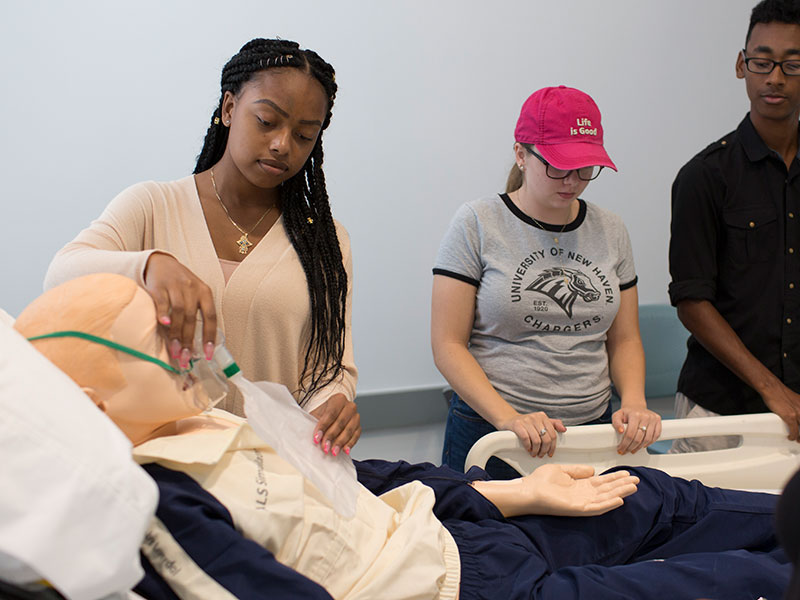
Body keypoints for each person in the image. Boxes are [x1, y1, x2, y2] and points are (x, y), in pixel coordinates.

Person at [20, 274, 792, 600]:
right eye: (158, 342)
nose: (185, 342)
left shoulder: (207, 418)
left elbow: (359, 473)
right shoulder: (160, 502)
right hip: (458, 589)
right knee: (734, 581)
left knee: (662, 498)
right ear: (90, 404)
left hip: (461, 531)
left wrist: (509, 492)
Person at [43, 38, 360, 457]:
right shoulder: (153, 206)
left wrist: (334, 404)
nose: (283, 144)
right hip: (162, 464)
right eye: (267, 121)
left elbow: (329, 366)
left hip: (270, 471)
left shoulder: (325, 241)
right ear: (229, 108)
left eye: (304, 134)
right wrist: (149, 266)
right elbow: (61, 274)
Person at [432, 86, 662, 478]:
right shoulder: (477, 223)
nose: (571, 181)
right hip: (495, 431)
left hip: (592, 429)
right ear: (521, 154)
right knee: (486, 537)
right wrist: (509, 419)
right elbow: (447, 344)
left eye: (585, 168)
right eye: (557, 165)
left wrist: (635, 401)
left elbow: (624, 339)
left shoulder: (611, 229)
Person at [668, 0, 800, 452]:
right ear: (742, 65)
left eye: (792, 64)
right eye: (763, 62)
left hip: (799, 409)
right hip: (720, 411)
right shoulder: (704, 176)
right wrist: (771, 389)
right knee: (714, 521)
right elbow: (691, 301)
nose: (776, 78)